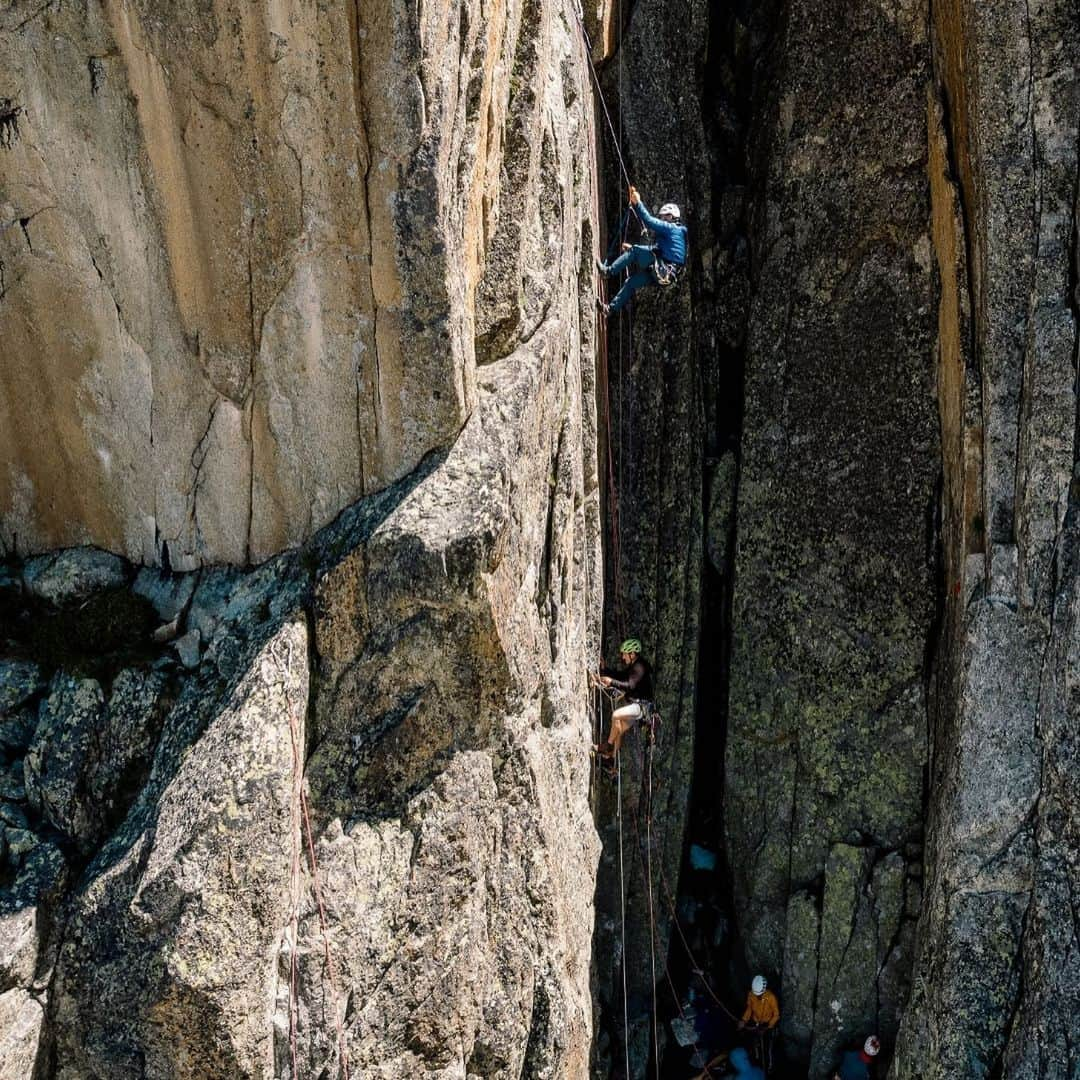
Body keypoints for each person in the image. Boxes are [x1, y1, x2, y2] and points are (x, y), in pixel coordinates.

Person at [598, 185, 687, 314]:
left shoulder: (672, 229)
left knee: (635, 251)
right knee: (631, 282)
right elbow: (660, 251)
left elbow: (649, 221)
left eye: (664, 217)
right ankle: (609, 309)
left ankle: (607, 272)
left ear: (671, 216)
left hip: (663, 268)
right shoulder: (678, 235)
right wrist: (631, 252)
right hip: (666, 275)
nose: (662, 219)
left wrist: (637, 202)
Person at [591, 637, 653, 758]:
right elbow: (621, 676)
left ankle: (607, 746)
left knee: (616, 715)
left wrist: (611, 682)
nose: (623, 657)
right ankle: (611, 758)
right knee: (618, 729)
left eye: (625, 654)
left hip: (642, 707)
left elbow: (629, 685)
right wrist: (605, 670)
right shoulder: (634, 666)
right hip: (641, 707)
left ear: (632, 654)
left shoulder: (639, 667)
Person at [738, 975, 780, 1070]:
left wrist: (767, 1028)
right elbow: (749, 1009)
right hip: (756, 1022)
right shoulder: (751, 994)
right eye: (756, 994)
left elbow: (776, 1015)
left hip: (767, 1023)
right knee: (754, 1043)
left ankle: (769, 1067)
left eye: (760, 995)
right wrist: (744, 1020)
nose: (758, 996)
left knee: (768, 1047)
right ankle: (756, 1062)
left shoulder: (771, 997)